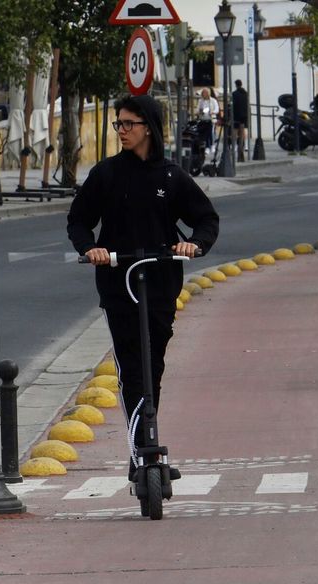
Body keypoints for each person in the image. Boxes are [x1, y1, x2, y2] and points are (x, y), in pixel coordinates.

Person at [67, 93, 220, 438]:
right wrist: (91, 248)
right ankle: (141, 448)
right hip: (118, 283)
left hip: (162, 283)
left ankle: (147, 434)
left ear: (148, 128)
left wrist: (194, 244)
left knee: (153, 365)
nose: (121, 130)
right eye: (118, 123)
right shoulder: (106, 174)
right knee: (131, 366)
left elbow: (207, 219)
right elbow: (78, 220)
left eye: (128, 123)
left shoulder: (171, 177)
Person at [231, 80, 250, 162]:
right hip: (244, 115)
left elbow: (233, 104)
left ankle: (234, 145)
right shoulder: (245, 93)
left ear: (236, 85)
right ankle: (243, 145)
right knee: (243, 132)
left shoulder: (234, 94)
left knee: (235, 132)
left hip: (236, 115)